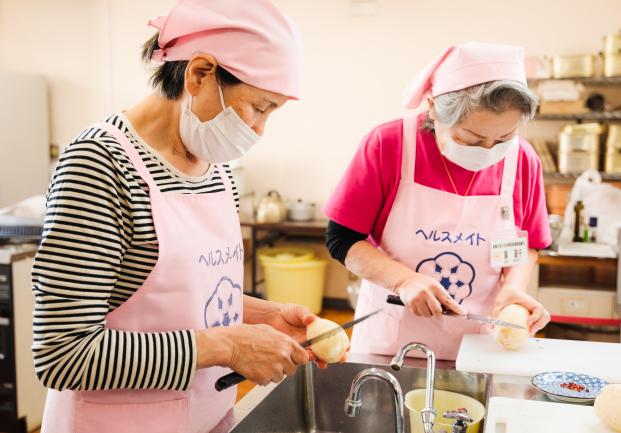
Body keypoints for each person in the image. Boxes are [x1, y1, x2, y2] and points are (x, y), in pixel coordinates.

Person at [33, 1, 328, 432]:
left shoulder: (215, 167)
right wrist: (227, 345)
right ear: (199, 74)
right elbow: (63, 354)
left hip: (206, 416)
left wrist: (265, 318)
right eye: (259, 107)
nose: (260, 130)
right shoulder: (100, 164)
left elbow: (181, 294)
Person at [324, 42, 552, 360]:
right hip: (391, 341)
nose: (488, 150)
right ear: (433, 108)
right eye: (469, 139)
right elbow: (342, 239)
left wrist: (513, 287)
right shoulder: (388, 145)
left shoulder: (523, 160)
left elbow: (526, 243)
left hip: (477, 343)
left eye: (503, 138)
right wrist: (403, 280)